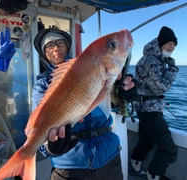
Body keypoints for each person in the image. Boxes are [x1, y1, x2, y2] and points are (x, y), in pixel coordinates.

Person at [31, 28, 138, 180]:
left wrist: (121, 94)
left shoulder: (90, 67)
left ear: (67, 46)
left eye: (60, 43)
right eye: (49, 46)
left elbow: (109, 102)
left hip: (110, 156)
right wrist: (49, 147)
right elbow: (39, 125)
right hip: (70, 164)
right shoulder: (42, 85)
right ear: (43, 53)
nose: (55, 48)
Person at [129, 26, 179, 180]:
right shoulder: (152, 61)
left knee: (147, 140)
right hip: (150, 110)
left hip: (145, 108)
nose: (172, 47)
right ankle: (154, 174)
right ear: (160, 43)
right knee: (168, 148)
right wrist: (172, 69)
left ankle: (134, 165)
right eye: (169, 43)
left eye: (174, 45)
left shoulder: (153, 59)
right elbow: (161, 87)